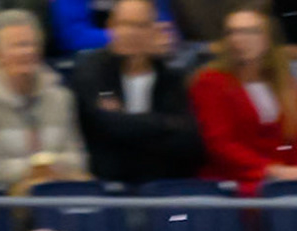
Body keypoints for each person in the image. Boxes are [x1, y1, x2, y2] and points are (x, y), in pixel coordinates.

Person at [188, 4, 297, 193]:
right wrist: (274, 171)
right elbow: (221, 145)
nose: (238, 39)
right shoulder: (210, 82)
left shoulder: (289, 85)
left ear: (268, 39)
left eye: (249, 32)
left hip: (291, 179)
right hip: (240, 181)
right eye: (232, 32)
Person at [70, 0, 203, 185]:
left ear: (153, 30)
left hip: (162, 185)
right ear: (111, 27)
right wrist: (164, 122)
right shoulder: (92, 71)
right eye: (124, 24)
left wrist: (127, 123)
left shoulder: (171, 77)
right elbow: (108, 126)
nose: (130, 33)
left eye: (140, 26)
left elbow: (189, 141)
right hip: (108, 185)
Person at [0, 9, 91, 188]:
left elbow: (78, 160)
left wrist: (47, 169)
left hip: (59, 199)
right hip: (3, 204)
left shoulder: (61, 97)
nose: (27, 52)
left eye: (31, 45)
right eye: (17, 46)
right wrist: (35, 169)